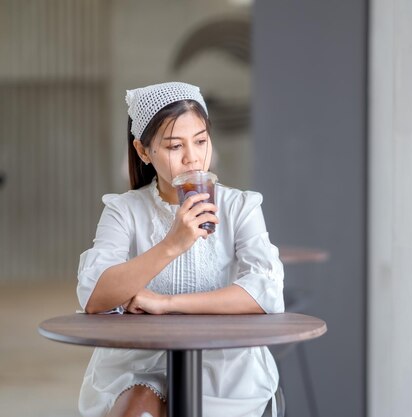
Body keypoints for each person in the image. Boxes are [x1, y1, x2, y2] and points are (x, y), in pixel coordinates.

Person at [76, 81, 284, 417]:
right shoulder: (124, 210)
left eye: (201, 141)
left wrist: (165, 303)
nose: (193, 158)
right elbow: (94, 295)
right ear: (144, 152)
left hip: (227, 366)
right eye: (175, 146)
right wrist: (172, 244)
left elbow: (266, 291)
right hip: (139, 363)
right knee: (137, 407)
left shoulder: (239, 207)